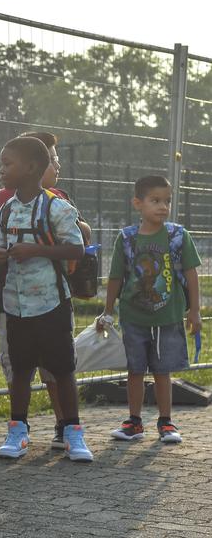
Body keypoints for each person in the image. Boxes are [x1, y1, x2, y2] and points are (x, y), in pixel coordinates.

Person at [0, 131, 91, 449]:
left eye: (7, 164)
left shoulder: (57, 207)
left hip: (52, 304)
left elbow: (77, 249)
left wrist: (35, 250)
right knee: (20, 368)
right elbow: (0, 246)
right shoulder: (6, 209)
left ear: (31, 168)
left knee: (62, 369)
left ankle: (72, 433)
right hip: (16, 305)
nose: (1, 170)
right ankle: (18, 431)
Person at [97, 175, 201, 444]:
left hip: (168, 317)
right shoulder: (127, 239)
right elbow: (116, 277)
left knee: (163, 370)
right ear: (138, 203)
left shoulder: (178, 236)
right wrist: (108, 310)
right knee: (134, 370)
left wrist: (195, 311)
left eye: (167, 201)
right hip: (133, 317)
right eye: (155, 200)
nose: (163, 206)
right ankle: (134, 422)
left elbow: (191, 275)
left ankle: (166, 422)